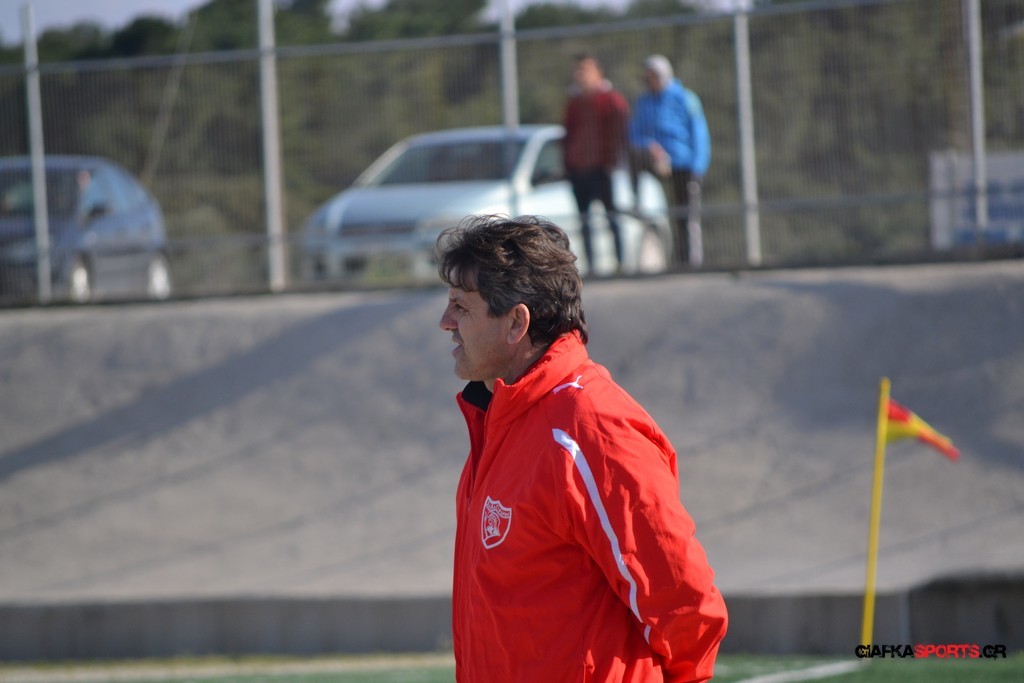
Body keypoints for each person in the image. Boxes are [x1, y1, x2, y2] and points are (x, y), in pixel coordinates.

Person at [436, 214, 728, 682]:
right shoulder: (500, 420)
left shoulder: (588, 428)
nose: (445, 322)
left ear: (516, 322)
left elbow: (682, 600)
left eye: (461, 307)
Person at [629, 54, 711, 268]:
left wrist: (697, 167)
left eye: (652, 77)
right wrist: (650, 146)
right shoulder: (644, 102)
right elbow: (635, 133)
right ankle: (636, 200)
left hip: (684, 164)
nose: (649, 82)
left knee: (685, 215)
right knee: (633, 156)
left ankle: (689, 262)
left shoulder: (685, 98)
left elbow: (699, 134)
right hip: (657, 162)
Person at [563, 52, 630, 275]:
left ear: (598, 73)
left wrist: (611, 160)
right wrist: (569, 165)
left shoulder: (611, 100)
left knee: (611, 217)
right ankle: (591, 267)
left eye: (585, 70)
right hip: (579, 171)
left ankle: (621, 264)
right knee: (584, 221)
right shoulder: (574, 103)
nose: (580, 75)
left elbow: (620, 131)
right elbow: (568, 135)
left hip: (602, 169)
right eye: (578, 70)